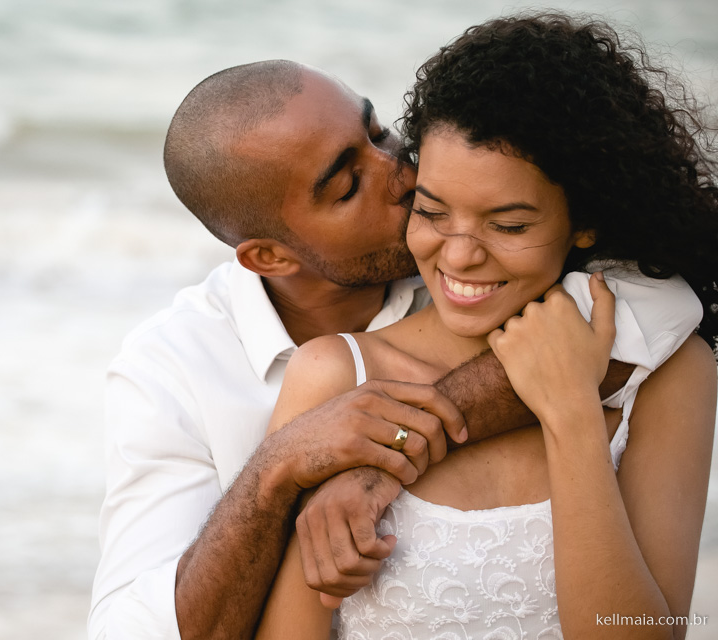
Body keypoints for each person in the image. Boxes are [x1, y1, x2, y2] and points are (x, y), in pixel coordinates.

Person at [88, 60, 703, 640]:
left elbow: (664, 303)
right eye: (352, 183)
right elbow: (133, 628)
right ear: (270, 257)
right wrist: (278, 472)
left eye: (381, 134)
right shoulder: (171, 369)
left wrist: (383, 456)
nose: (405, 176)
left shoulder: (458, 245)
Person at [255, 13, 718, 639]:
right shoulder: (338, 377)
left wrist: (572, 415)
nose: (461, 255)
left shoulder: (671, 376)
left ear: (584, 222)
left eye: (509, 225)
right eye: (433, 211)